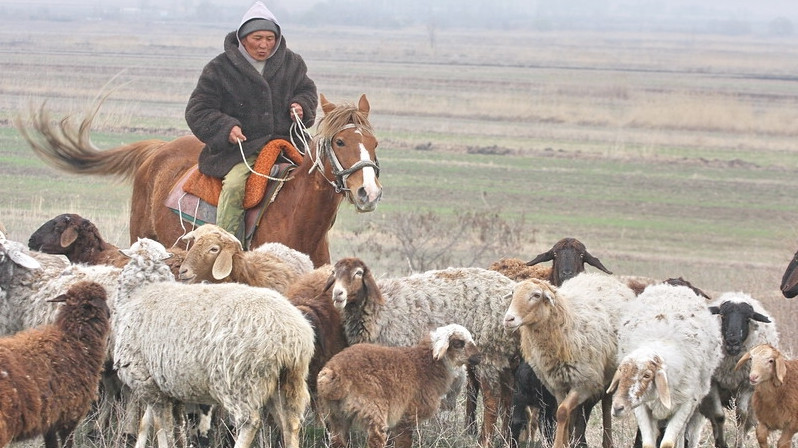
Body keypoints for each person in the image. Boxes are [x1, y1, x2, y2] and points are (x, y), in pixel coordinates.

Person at [185, 1, 318, 240]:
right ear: (243, 38)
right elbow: (198, 109)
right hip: (241, 151)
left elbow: (307, 91)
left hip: (288, 143)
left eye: (270, 38)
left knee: (321, 183)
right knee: (236, 186)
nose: (264, 44)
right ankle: (224, 246)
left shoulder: (292, 63)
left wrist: (302, 106)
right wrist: (227, 128)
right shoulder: (219, 69)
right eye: (258, 37)